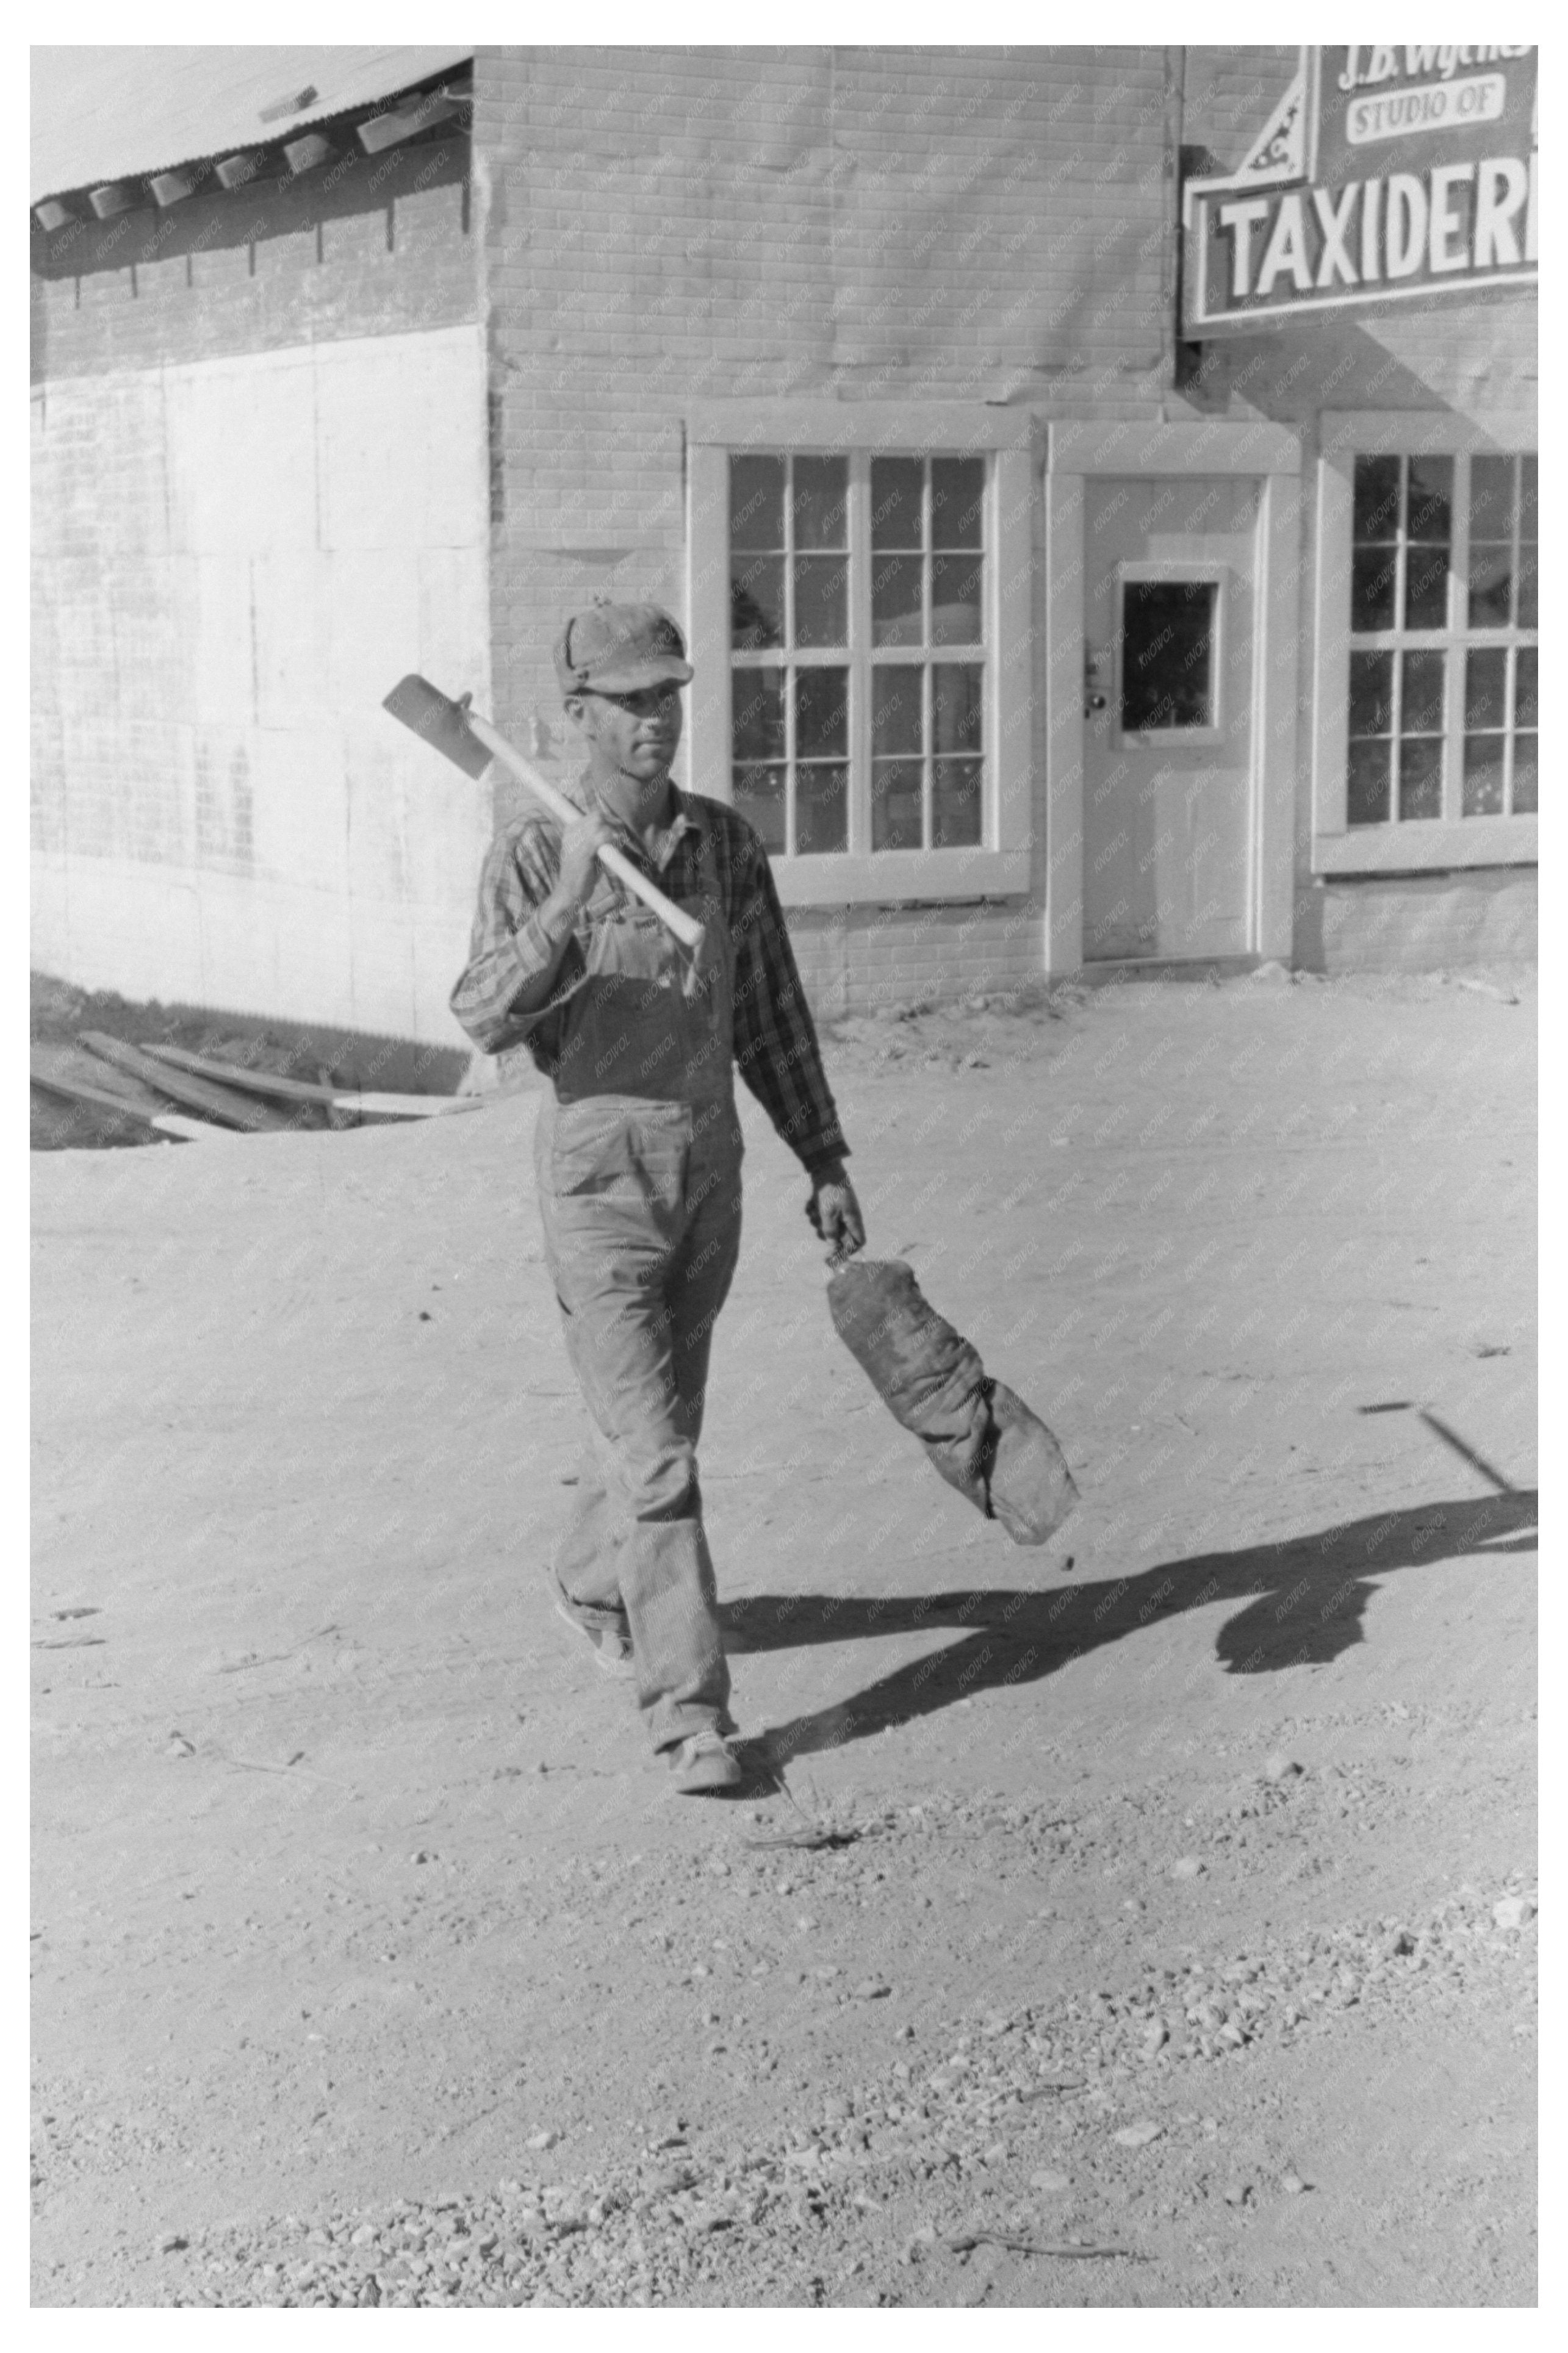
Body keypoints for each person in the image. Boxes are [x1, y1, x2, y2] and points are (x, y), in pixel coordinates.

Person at [451, 602, 865, 1794]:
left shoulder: (725, 848)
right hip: (598, 1170)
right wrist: (570, 898)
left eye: (666, 697)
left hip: (708, 1163)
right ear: (575, 717)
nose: (653, 723)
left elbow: (774, 1019)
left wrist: (825, 1159)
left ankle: (590, 1580)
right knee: (662, 1461)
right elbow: (480, 1014)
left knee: (659, 1430)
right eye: (628, 703)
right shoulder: (536, 851)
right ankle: (690, 1715)